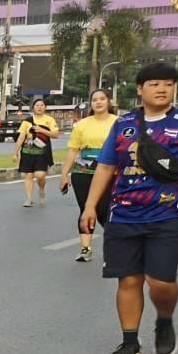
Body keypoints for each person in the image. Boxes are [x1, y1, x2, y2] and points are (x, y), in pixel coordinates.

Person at [81, 62, 178, 354]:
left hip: (167, 214)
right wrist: (90, 206)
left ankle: (164, 318)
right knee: (128, 280)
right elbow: (106, 166)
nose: (162, 88)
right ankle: (130, 341)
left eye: (168, 83)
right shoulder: (124, 123)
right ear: (140, 89)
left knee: (161, 282)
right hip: (123, 214)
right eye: (154, 83)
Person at [58, 89, 118, 262]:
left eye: (102, 99)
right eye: (94, 100)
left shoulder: (119, 123)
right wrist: (64, 174)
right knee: (86, 208)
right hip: (83, 172)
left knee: (105, 210)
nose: (98, 102)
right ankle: (85, 248)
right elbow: (73, 151)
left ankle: (114, 246)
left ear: (108, 102)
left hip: (110, 172)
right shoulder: (82, 125)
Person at [15, 97, 58, 206]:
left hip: (42, 152)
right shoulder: (27, 121)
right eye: (37, 105)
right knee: (28, 175)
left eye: (42, 105)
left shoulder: (49, 120)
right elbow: (21, 137)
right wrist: (15, 152)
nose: (39, 107)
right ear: (33, 108)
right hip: (27, 152)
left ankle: (41, 189)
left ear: (45, 107)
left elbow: (55, 134)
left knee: (40, 175)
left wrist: (41, 130)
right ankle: (29, 199)